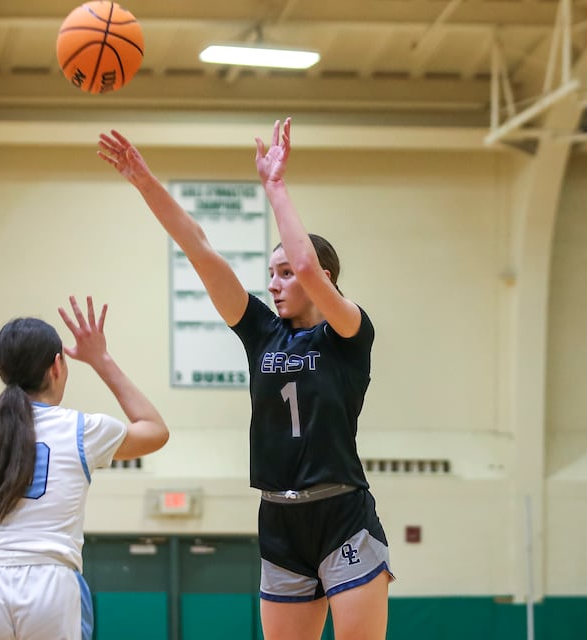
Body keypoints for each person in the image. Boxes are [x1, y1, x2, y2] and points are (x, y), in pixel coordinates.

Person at [98, 117, 393, 640]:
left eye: (284, 274)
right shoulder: (261, 332)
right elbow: (200, 249)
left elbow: (305, 262)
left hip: (342, 513)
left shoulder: (348, 333)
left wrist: (275, 186)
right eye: (272, 272)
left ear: (324, 281)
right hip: (279, 519)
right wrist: (145, 181)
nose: (275, 282)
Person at [0, 295, 169, 640]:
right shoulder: (82, 429)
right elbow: (155, 430)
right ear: (57, 366)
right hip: (48, 581)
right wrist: (101, 360)